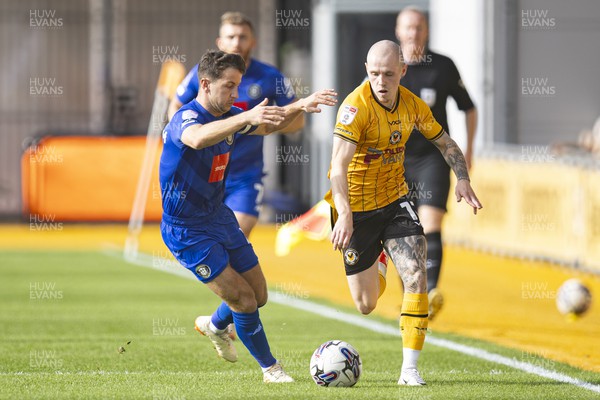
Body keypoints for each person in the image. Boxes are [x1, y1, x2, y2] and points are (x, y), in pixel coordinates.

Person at [160, 49, 336, 383]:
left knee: (259, 295)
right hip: (187, 230)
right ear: (205, 84)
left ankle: (213, 326)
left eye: (238, 86)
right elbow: (197, 139)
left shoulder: (230, 112)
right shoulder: (186, 118)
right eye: (229, 86)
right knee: (242, 299)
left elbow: (266, 120)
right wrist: (245, 118)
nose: (236, 94)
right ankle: (271, 369)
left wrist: (300, 105)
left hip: (218, 216)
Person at [325, 40, 481, 386]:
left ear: (403, 72)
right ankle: (378, 257)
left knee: (416, 274)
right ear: (367, 70)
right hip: (357, 207)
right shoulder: (355, 107)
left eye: (389, 74)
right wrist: (345, 212)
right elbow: (338, 167)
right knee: (366, 303)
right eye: (374, 73)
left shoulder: (413, 105)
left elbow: (445, 142)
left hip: (395, 200)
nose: (381, 81)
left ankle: (409, 369)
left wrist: (463, 179)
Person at [168, 11, 303, 238]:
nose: (236, 43)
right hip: (205, 175)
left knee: (234, 239)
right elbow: (176, 107)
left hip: (245, 178)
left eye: (242, 37)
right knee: (206, 245)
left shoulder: (270, 77)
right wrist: (184, 140)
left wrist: (266, 123)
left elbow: (298, 121)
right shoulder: (202, 74)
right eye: (230, 37)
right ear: (219, 42)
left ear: (253, 41)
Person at [396, 6, 478, 320]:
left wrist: (468, 151)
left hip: (432, 157)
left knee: (431, 223)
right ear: (398, 31)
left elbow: (469, 108)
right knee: (404, 230)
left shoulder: (443, 66)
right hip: (397, 159)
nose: (413, 33)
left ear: (426, 30)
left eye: (418, 27)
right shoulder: (390, 69)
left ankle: (429, 294)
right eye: (408, 28)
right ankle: (411, 294)